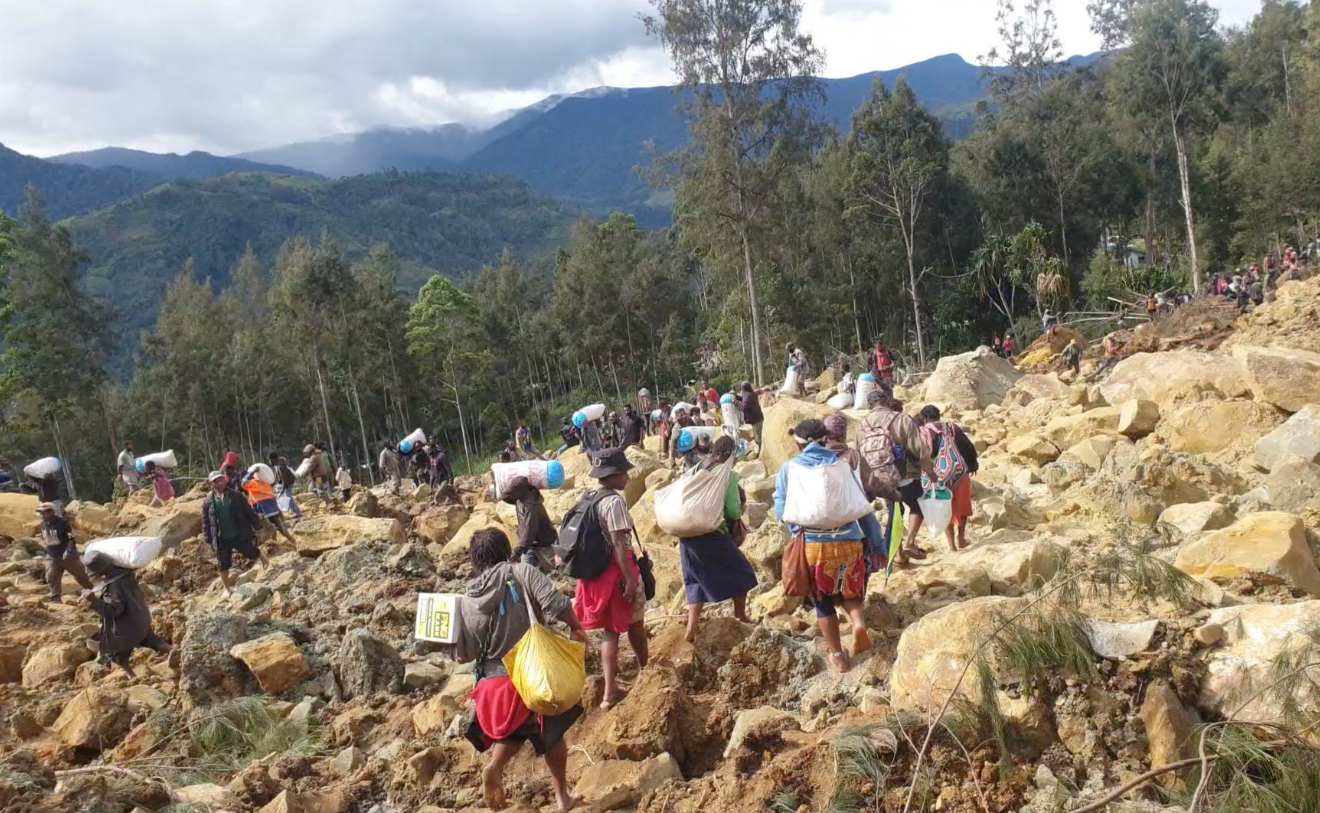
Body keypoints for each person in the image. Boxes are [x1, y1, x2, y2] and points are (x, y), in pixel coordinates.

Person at [450, 528, 587, 812]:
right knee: (553, 734)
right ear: (506, 550)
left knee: (516, 732)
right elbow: (556, 603)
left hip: (493, 686)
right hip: (534, 675)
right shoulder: (522, 572)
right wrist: (576, 627)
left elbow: (466, 653)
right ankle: (562, 796)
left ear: (475, 561)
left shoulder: (466, 599)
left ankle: (495, 766)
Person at [774, 420, 884, 673]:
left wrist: (797, 530)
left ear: (798, 442)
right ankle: (857, 623)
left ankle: (838, 656)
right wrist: (877, 545)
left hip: (814, 546)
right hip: (849, 542)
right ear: (826, 439)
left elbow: (782, 509)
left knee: (822, 601)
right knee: (850, 592)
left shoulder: (789, 469)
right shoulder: (842, 466)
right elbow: (862, 509)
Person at [574, 448, 649, 708]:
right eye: (624, 473)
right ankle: (646, 671)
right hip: (617, 574)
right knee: (636, 624)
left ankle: (609, 692)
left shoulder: (590, 497)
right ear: (613, 475)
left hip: (596, 577)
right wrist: (630, 580)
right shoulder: (614, 502)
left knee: (610, 631)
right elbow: (619, 542)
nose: (627, 477)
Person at [679, 436, 755, 643]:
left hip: (687, 535)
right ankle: (740, 615)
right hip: (711, 535)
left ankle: (691, 628)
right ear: (732, 456)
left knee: (695, 580)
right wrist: (738, 516)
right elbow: (732, 509)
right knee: (743, 572)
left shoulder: (697, 469)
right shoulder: (726, 476)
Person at [857, 386, 933, 567]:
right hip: (904, 474)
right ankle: (910, 542)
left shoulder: (862, 425)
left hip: (879, 479)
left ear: (869, 405)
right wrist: (930, 472)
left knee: (894, 514)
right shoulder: (901, 419)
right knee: (917, 506)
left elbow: (857, 454)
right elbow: (919, 449)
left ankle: (898, 555)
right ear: (885, 401)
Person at [82, 550, 172, 679]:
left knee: (116, 653)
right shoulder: (126, 573)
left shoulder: (114, 585)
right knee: (153, 641)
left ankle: (132, 676)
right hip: (141, 617)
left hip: (128, 626)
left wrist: (93, 601)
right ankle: (176, 652)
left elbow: (113, 611)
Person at [916, 406, 979, 553]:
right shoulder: (951, 427)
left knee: (944, 507)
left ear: (924, 418)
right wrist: (972, 465)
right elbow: (968, 447)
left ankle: (952, 546)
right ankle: (962, 539)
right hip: (957, 472)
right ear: (939, 416)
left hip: (936, 476)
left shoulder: (923, 432)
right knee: (963, 506)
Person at [202, 471, 269, 598]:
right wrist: (208, 539)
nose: (219, 483)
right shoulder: (208, 501)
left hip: (238, 532)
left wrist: (257, 526)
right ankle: (226, 588)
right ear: (211, 484)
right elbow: (206, 521)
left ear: (225, 481)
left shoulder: (236, 495)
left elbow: (248, 511)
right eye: (216, 481)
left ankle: (262, 557)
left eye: (221, 480)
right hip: (221, 537)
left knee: (249, 552)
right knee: (223, 563)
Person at [502, 475, 558, 572]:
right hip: (530, 544)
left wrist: (518, 550)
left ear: (521, 491)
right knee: (525, 571)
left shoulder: (531, 504)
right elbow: (507, 496)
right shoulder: (520, 499)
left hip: (544, 542)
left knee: (559, 566)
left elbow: (530, 528)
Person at [40, 502, 91, 603]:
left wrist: (68, 550)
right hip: (53, 555)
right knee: (51, 576)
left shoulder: (62, 523)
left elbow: (71, 538)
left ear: (51, 512)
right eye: (41, 513)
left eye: (44, 512)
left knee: (80, 575)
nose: (42, 515)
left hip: (66, 555)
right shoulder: (42, 524)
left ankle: (90, 590)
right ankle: (56, 598)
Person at [241, 467, 297, 545]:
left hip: (263, 510)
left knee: (266, 528)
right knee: (280, 526)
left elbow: (243, 482)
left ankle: (273, 543)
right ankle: (293, 540)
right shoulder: (265, 483)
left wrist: (251, 472)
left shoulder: (254, 483)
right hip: (272, 509)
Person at [271, 454, 303, 519]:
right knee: (287, 496)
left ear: (273, 458)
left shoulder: (281, 466)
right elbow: (279, 476)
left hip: (288, 483)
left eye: (270, 459)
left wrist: (283, 487)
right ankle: (294, 510)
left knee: (288, 497)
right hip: (287, 483)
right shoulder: (279, 464)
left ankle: (297, 512)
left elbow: (284, 478)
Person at [739, 382, 764, 446]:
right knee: (758, 435)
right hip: (758, 418)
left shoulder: (747, 396)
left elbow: (744, 406)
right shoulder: (750, 394)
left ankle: (760, 452)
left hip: (755, 420)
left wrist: (738, 405)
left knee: (758, 437)